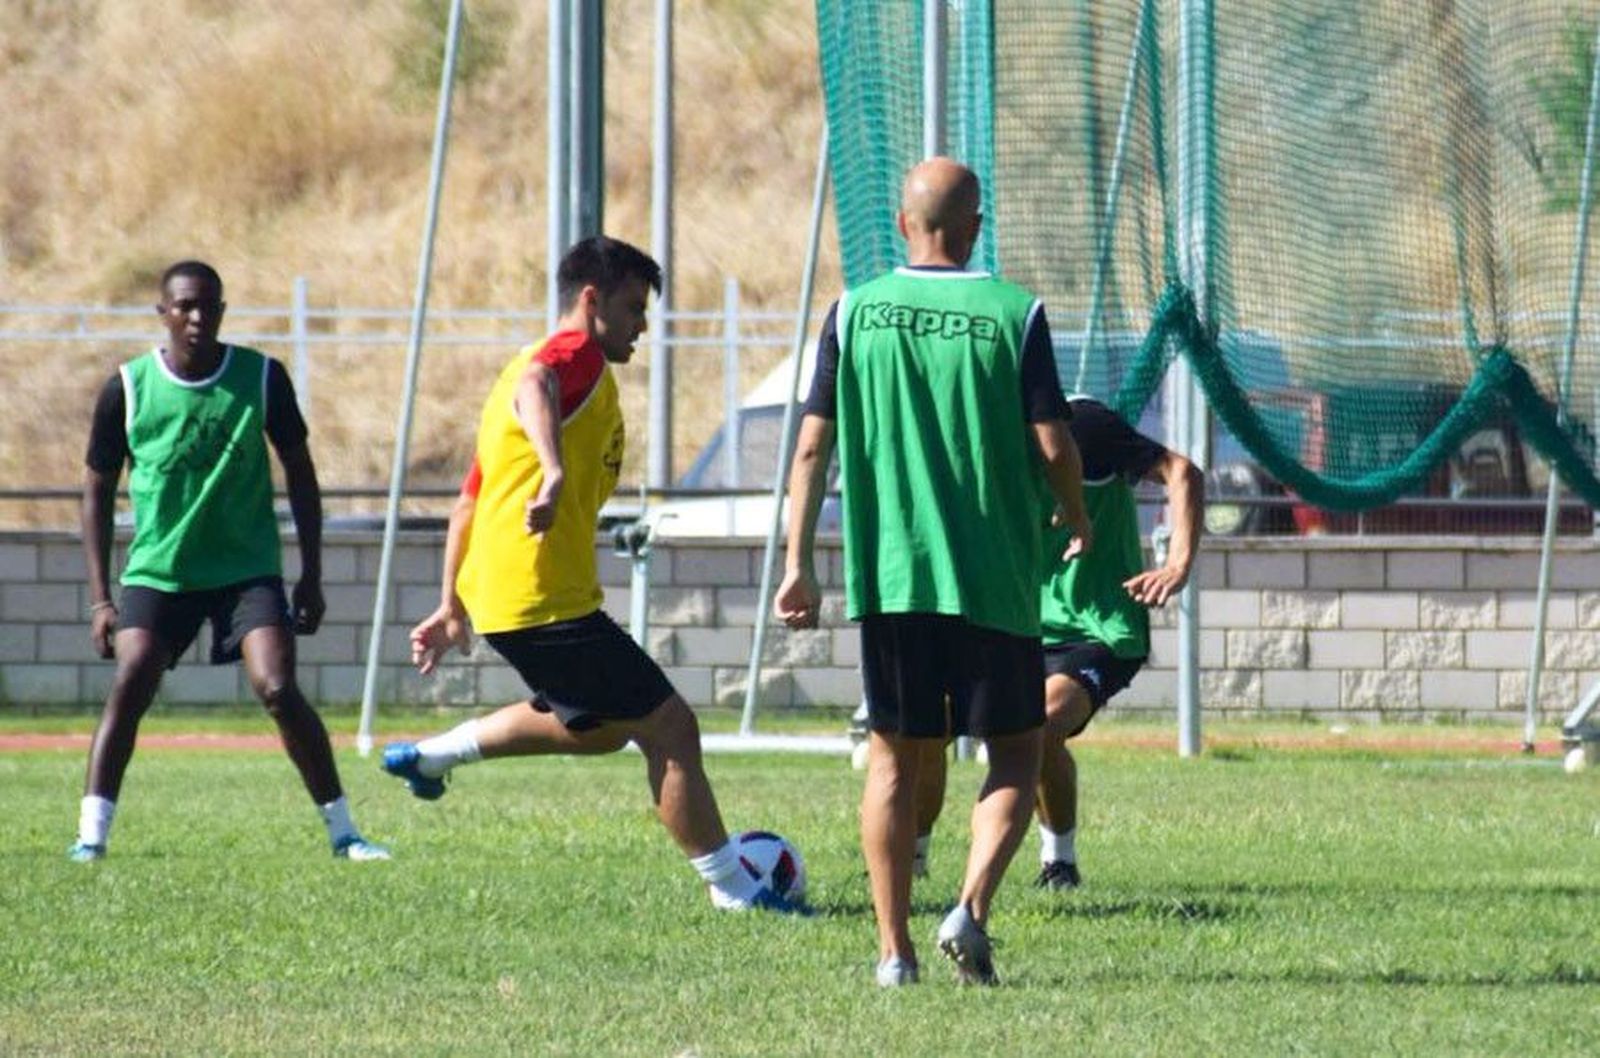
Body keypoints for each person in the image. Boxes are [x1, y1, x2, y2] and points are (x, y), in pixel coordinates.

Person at [382, 236, 791, 912]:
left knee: (601, 729)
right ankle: (738, 891)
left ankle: (434, 758)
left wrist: (450, 602)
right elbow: (537, 383)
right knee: (670, 729)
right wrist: (555, 466)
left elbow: (469, 498)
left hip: (514, 595)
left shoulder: (537, 374)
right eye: (633, 308)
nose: (641, 326)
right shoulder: (572, 357)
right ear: (591, 300)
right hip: (544, 599)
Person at [775, 158, 1093, 987]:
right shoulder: (1013, 311)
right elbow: (1054, 442)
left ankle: (893, 952)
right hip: (992, 578)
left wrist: (798, 565)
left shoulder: (853, 310)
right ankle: (971, 906)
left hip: (893, 579)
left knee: (892, 760)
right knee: (1016, 757)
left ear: (901, 222)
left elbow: (813, 444)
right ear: (976, 227)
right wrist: (1079, 512)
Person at [74, 260, 388, 862]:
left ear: (222, 311)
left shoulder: (262, 377)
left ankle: (345, 833)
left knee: (276, 686)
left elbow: (300, 471)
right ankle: (92, 837)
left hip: (247, 570)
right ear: (163, 312)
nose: (197, 317)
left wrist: (312, 574)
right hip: (161, 570)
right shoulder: (129, 387)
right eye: (185, 305)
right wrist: (100, 598)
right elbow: (94, 487)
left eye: (209, 306)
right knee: (132, 677)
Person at [912, 395, 1204, 891]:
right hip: (1011, 623)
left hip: (1098, 628)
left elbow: (1183, 472)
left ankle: (1059, 864)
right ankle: (910, 864)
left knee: (1039, 724)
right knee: (921, 728)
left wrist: (1177, 564)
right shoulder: (976, 443)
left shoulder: (1086, 426)